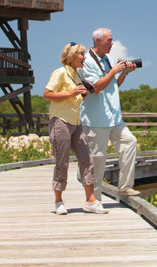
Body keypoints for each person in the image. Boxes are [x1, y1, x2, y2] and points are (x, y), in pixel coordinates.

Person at [43, 42, 107, 215]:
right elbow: (47, 94)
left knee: (87, 158)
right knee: (62, 162)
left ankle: (91, 201)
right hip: (60, 122)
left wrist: (85, 93)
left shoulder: (77, 75)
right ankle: (58, 201)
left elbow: (75, 99)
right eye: (81, 54)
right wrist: (71, 93)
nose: (84, 57)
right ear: (71, 56)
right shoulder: (60, 72)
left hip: (76, 123)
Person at [79, 27, 139, 200]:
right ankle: (94, 200)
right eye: (109, 40)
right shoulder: (87, 61)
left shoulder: (108, 59)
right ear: (98, 41)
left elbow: (112, 86)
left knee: (130, 142)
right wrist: (114, 70)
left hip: (114, 117)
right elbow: (96, 88)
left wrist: (124, 73)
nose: (112, 43)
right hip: (96, 119)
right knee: (98, 161)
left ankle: (125, 187)